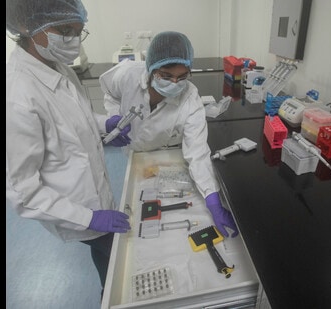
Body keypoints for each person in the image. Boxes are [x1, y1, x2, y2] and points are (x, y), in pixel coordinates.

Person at [6, 0, 133, 294]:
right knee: (116, 264)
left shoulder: (58, 67)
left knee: (107, 257)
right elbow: (23, 192)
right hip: (73, 209)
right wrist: (89, 217)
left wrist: (105, 124)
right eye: (65, 30)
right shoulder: (17, 97)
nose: (73, 40)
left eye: (79, 31)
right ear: (27, 26)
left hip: (96, 195)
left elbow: (78, 116)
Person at [99, 31, 239, 238]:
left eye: (182, 77)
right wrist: (113, 118)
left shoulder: (190, 98)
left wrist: (213, 200)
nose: (174, 83)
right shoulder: (127, 75)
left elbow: (197, 152)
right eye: (166, 76)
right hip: (133, 151)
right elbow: (109, 93)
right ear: (151, 68)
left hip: (166, 152)